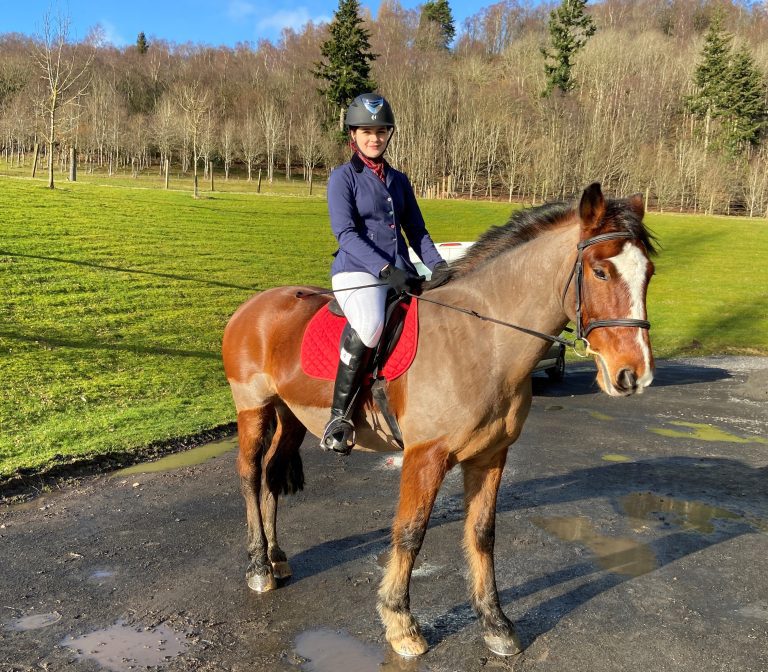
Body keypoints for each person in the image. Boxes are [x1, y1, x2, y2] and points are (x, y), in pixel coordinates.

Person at [321, 92, 447, 454]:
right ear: (353, 135)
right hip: (357, 272)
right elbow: (346, 234)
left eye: (380, 131)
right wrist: (385, 269)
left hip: (400, 273)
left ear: (388, 134)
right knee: (372, 324)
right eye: (366, 131)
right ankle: (339, 417)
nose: (373, 138)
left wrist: (439, 267)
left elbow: (417, 232)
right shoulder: (343, 178)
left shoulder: (399, 180)